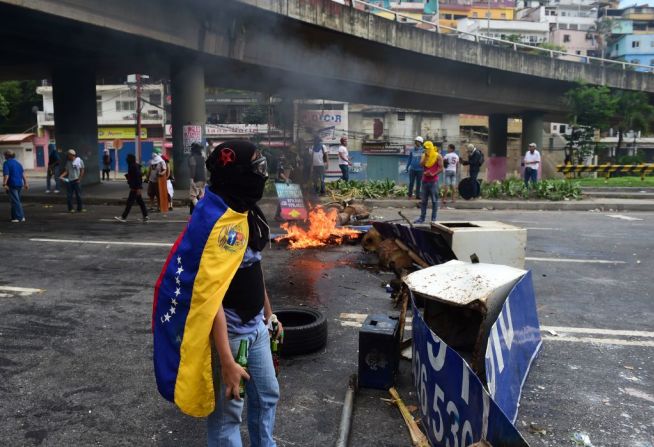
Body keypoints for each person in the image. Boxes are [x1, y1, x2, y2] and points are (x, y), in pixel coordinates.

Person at [152, 140, 283, 447]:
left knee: (267, 396)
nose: (262, 174)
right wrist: (226, 359)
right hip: (231, 334)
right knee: (228, 417)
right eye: (256, 168)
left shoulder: (243, 211)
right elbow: (209, 298)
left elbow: (253, 268)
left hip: (257, 328)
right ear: (236, 172)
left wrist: (269, 313)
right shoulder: (215, 222)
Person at [114, 154, 149, 223]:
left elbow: (137, 177)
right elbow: (137, 175)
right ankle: (145, 216)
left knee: (129, 203)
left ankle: (123, 217)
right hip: (135, 187)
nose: (126, 159)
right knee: (140, 202)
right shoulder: (134, 165)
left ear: (130, 159)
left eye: (127, 158)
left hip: (135, 188)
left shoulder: (133, 166)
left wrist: (138, 188)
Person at [415, 141, 443, 224]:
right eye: (425, 148)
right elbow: (420, 165)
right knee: (423, 201)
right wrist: (426, 157)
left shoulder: (438, 156)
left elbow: (441, 168)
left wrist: (433, 174)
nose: (426, 150)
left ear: (431, 148)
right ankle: (422, 218)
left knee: (434, 201)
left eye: (427, 148)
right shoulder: (424, 155)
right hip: (424, 181)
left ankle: (433, 219)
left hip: (433, 181)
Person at [2, 150, 28, 222]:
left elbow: (6, 175)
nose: (4, 156)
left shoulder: (6, 163)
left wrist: (4, 184)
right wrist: (26, 183)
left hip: (12, 184)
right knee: (15, 201)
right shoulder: (18, 163)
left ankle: (20, 217)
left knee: (15, 201)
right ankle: (14, 217)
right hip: (19, 184)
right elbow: (23, 175)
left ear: (7, 156)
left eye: (5, 155)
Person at [59, 149, 85, 213]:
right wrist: (61, 176)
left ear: (72, 155)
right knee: (69, 196)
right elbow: (66, 171)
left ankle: (80, 208)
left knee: (78, 195)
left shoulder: (79, 161)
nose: (67, 156)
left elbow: (82, 170)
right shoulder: (68, 162)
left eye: (68, 155)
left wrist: (79, 179)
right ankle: (71, 209)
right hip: (69, 181)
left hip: (77, 181)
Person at [188, 142, 207, 214]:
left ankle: (200, 211)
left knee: (192, 196)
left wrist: (191, 179)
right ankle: (203, 210)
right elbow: (204, 169)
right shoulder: (202, 157)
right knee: (201, 196)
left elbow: (193, 169)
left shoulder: (193, 157)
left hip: (196, 179)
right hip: (203, 179)